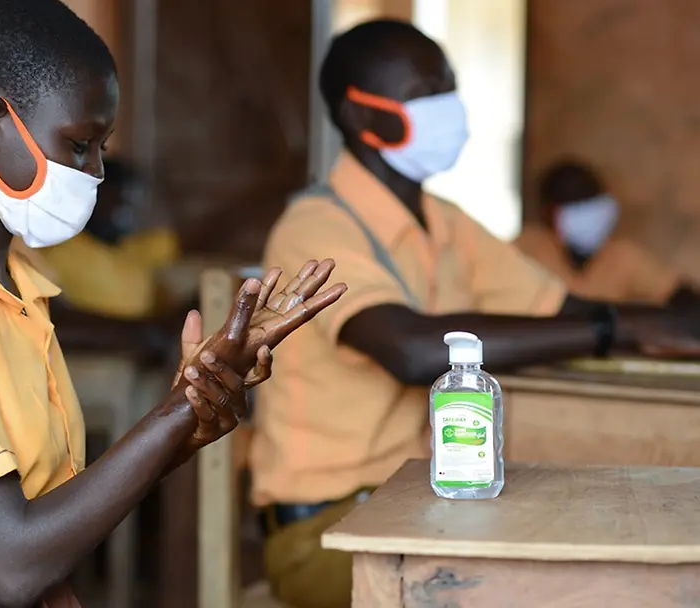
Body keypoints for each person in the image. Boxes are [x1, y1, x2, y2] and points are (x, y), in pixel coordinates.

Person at [0, 2, 347, 606]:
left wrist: (188, 411)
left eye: (101, 146)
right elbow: (13, 562)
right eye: (80, 144)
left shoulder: (11, 284)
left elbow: (51, 522)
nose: (97, 171)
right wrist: (171, 419)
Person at [250, 19, 700, 608]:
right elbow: (410, 350)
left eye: (448, 86)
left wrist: (647, 322)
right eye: (423, 93)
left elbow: (561, 305)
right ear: (361, 116)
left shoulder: (444, 222)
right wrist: (613, 330)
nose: (447, 107)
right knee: (558, 587)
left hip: (426, 497)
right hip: (327, 530)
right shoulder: (315, 226)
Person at [516, 160, 694, 305]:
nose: (588, 219)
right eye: (575, 208)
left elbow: (677, 293)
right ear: (548, 213)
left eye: (592, 206)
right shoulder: (525, 249)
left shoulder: (622, 256)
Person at [38, 157, 184, 320]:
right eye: (111, 198)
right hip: (100, 343)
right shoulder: (60, 251)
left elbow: (186, 240)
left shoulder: (131, 247)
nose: (120, 208)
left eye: (124, 199)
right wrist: (145, 332)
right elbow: (56, 318)